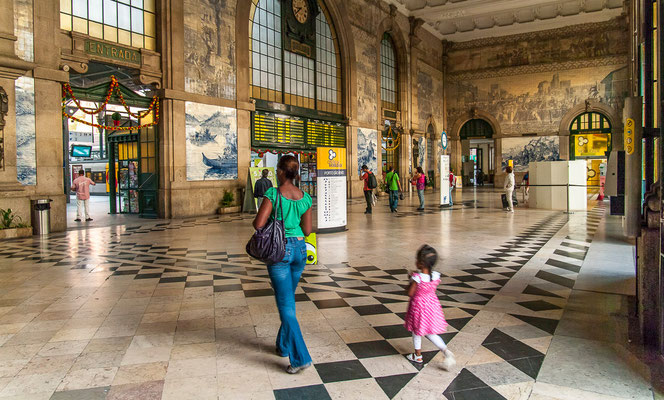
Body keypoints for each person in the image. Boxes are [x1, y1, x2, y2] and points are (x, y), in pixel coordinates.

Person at [252, 155, 313, 374]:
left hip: (280, 251)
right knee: (288, 299)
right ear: (296, 174)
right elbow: (307, 231)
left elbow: (258, 224)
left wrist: (271, 220)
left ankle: (300, 358)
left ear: (279, 172)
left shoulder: (273, 194)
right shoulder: (305, 197)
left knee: (285, 306)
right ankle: (284, 345)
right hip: (300, 250)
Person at [404, 245, 456, 371]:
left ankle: (418, 355)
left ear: (421, 263)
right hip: (432, 307)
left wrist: (411, 280)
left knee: (417, 331)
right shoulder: (436, 276)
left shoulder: (418, 278)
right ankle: (445, 350)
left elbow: (410, 293)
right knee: (430, 332)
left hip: (419, 307)